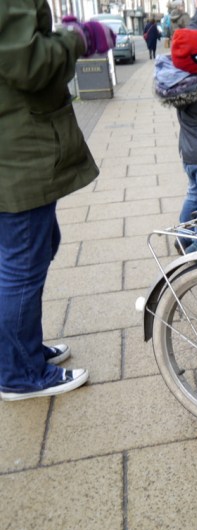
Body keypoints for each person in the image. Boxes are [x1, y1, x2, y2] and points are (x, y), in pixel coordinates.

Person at [0, 2, 114, 401]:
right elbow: (26, 63)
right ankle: (20, 373)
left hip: (17, 148)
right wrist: (77, 38)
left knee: (34, 250)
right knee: (21, 268)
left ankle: (19, 352)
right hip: (17, 153)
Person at [154, 0, 197, 252]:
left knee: (194, 194)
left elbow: (191, 44)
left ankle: (183, 236)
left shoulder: (181, 76)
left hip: (190, 154)